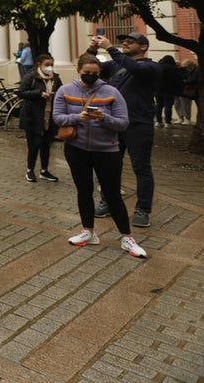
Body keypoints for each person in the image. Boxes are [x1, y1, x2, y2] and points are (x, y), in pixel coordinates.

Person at [54, 53, 147, 258]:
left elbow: (123, 123)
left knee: (112, 194)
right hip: (76, 149)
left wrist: (103, 117)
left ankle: (127, 237)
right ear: (78, 70)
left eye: (94, 73)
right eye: (86, 72)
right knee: (84, 191)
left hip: (107, 151)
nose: (90, 76)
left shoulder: (111, 92)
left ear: (100, 72)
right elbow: (58, 117)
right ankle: (88, 231)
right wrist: (78, 117)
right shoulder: (65, 90)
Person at [89, 32, 160, 228]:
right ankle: (108, 203)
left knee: (141, 167)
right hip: (113, 123)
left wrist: (110, 48)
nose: (125, 43)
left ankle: (143, 210)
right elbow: (90, 66)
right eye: (124, 41)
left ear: (144, 47)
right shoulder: (115, 65)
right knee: (109, 166)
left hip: (138, 124)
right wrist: (92, 49)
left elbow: (135, 69)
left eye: (131, 41)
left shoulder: (152, 67)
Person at [18, 53, 63, 183]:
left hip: (49, 116)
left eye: (51, 65)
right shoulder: (31, 77)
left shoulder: (56, 78)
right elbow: (21, 93)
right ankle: (30, 170)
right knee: (34, 144)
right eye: (47, 65)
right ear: (39, 64)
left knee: (46, 144)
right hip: (33, 116)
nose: (50, 67)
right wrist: (39, 94)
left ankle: (44, 170)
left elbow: (61, 92)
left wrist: (55, 94)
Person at [154, 55, 180, 127]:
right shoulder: (173, 68)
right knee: (168, 105)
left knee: (158, 105)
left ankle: (158, 121)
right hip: (169, 89)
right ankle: (167, 122)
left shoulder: (158, 67)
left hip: (158, 89)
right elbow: (178, 79)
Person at [175, 57, 199, 125]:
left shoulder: (195, 71)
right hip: (183, 90)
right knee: (179, 104)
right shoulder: (189, 71)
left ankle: (187, 118)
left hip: (188, 90)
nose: (185, 69)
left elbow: (192, 80)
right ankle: (182, 118)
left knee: (185, 105)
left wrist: (184, 82)